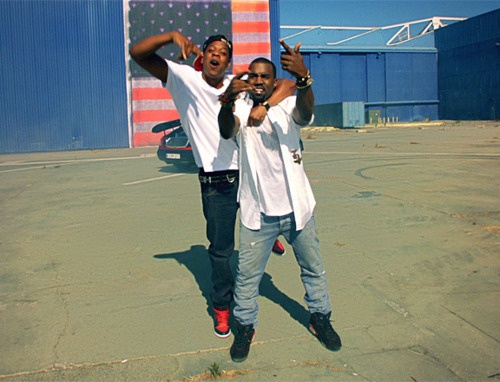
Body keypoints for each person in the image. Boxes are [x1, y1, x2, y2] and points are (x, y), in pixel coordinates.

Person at [129, 31, 292, 338]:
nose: (217, 55)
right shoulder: (182, 79)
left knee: (266, 224)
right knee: (221, 251)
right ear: (203, 57)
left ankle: (270, 237)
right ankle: (221, 307)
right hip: (217, 183)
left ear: (229, 62)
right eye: (211, 50)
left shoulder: (239, 83)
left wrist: (265, 105)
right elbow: (137, 53)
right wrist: (172, 36)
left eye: (224, 52)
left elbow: (286, 84)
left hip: (251, 171)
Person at [218, 40, 342, 362]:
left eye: (265, 76)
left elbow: (305, 110)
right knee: (247, 278)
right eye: (253, 75)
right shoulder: (242, 107)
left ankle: (320, 318)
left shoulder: (286, 103)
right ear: (249, 79)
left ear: (273, 82)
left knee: (314, 269)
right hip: (258, 213)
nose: (258, 80)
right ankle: (245, 326)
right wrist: (227, 100)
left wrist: (304, 80)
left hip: (297, 210)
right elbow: (227, 129)